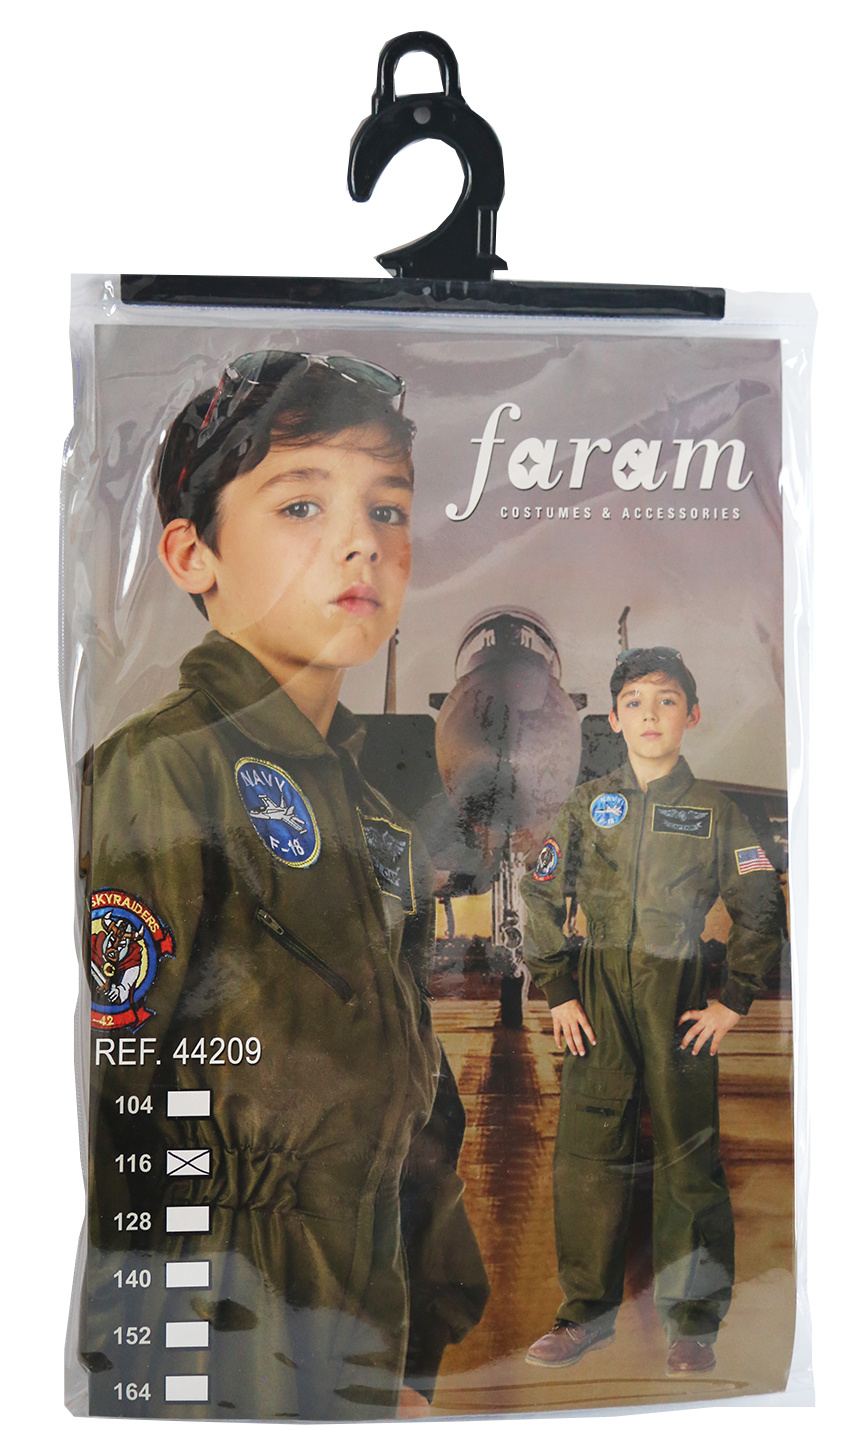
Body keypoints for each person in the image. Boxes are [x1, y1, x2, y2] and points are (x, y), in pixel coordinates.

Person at [82, 351, 488, 1420]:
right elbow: (113, 1097)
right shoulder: (162, 773)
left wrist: (414, 1354)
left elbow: (416, 1097)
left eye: (387, 509)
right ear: (193, 554)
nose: (362, 542)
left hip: (366, 1317)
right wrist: (136, 1374)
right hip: (224, 1333)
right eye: (302, 503)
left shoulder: (374, 816)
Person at [519, 646, 786, 1376]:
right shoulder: (586, 804)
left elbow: (761, 904)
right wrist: (560, 988)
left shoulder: (716, 811)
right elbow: (539, 892)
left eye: (666, 700)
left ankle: (692, 1324)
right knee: (588, 1157)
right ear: (613, 719)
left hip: (680, 995)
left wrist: (732, 1001)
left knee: (688, 1160)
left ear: (691, 715)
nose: (650, 715)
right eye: (634, 702)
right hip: (598, 993)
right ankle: (582, 1315)